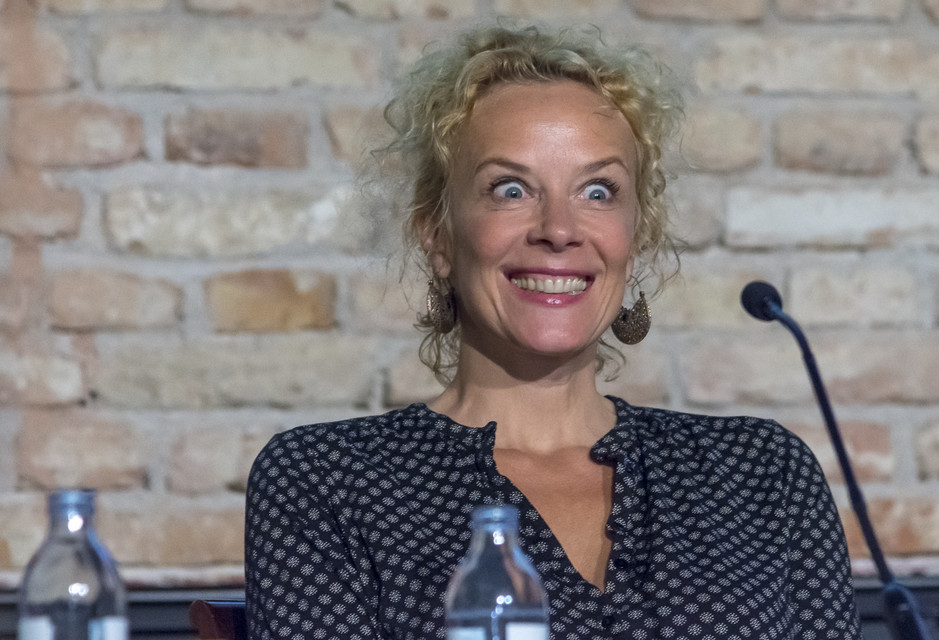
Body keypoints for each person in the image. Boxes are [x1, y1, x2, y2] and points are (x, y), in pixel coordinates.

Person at [245, 24, 863, 640]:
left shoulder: (761, 473)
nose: (559, 230)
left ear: (636, 237)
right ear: (437, 235)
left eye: (597, 191)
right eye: (510, 189)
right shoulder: (326, 480)